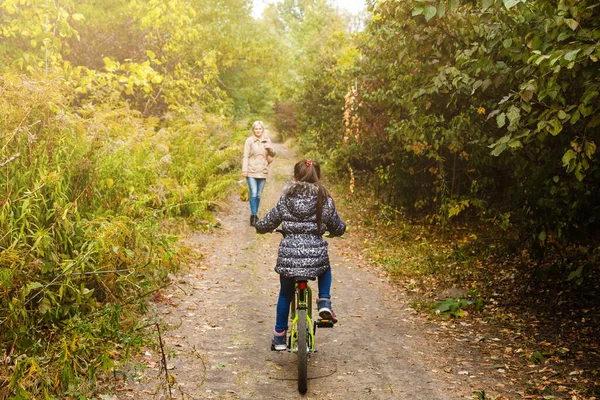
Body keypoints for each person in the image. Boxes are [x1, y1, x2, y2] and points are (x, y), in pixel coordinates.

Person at [255, 159, 346, 351]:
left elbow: (268, 221)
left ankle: (279, 337)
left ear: (295, 178)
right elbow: (337, 226)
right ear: (318, 177)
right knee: (325, 266)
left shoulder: (286, 198)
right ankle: (324, 301)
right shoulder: (324, 199)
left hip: (289, 257)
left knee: (285, 295)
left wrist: (260, 227)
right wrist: (339, 230)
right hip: (316, 256)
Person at [242, 121, 276, 226]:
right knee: (253, 193)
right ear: (253, 130)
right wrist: (244, 170)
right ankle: (253, 215)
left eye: (260, 129)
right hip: (251, 170)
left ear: (263, 130)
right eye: (256, 129)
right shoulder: (249, 141)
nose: (258, 131)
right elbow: (245, 156)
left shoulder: (267, 140)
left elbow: (273, 154)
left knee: (258, 195)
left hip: (263, 171)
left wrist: (268, 147)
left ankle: (255, 214)